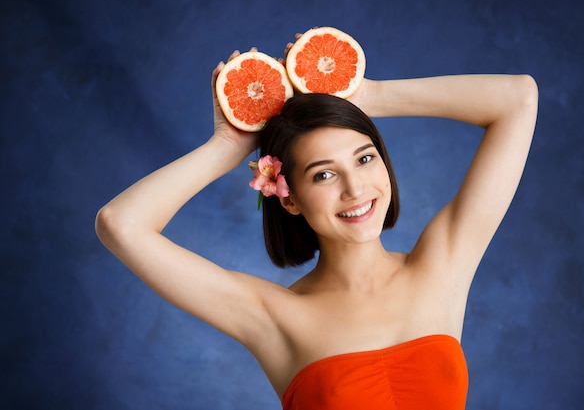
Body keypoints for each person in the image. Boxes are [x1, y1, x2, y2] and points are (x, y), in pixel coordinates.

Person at [95, 41, 538, 409]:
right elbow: (121, 224)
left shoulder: (443, 265)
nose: (355, 188)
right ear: (287, 198)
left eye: (365, 159)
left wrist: (369, 97)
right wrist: (229, 145)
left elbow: (517, 98)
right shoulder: (273, 316)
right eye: (323, 174)